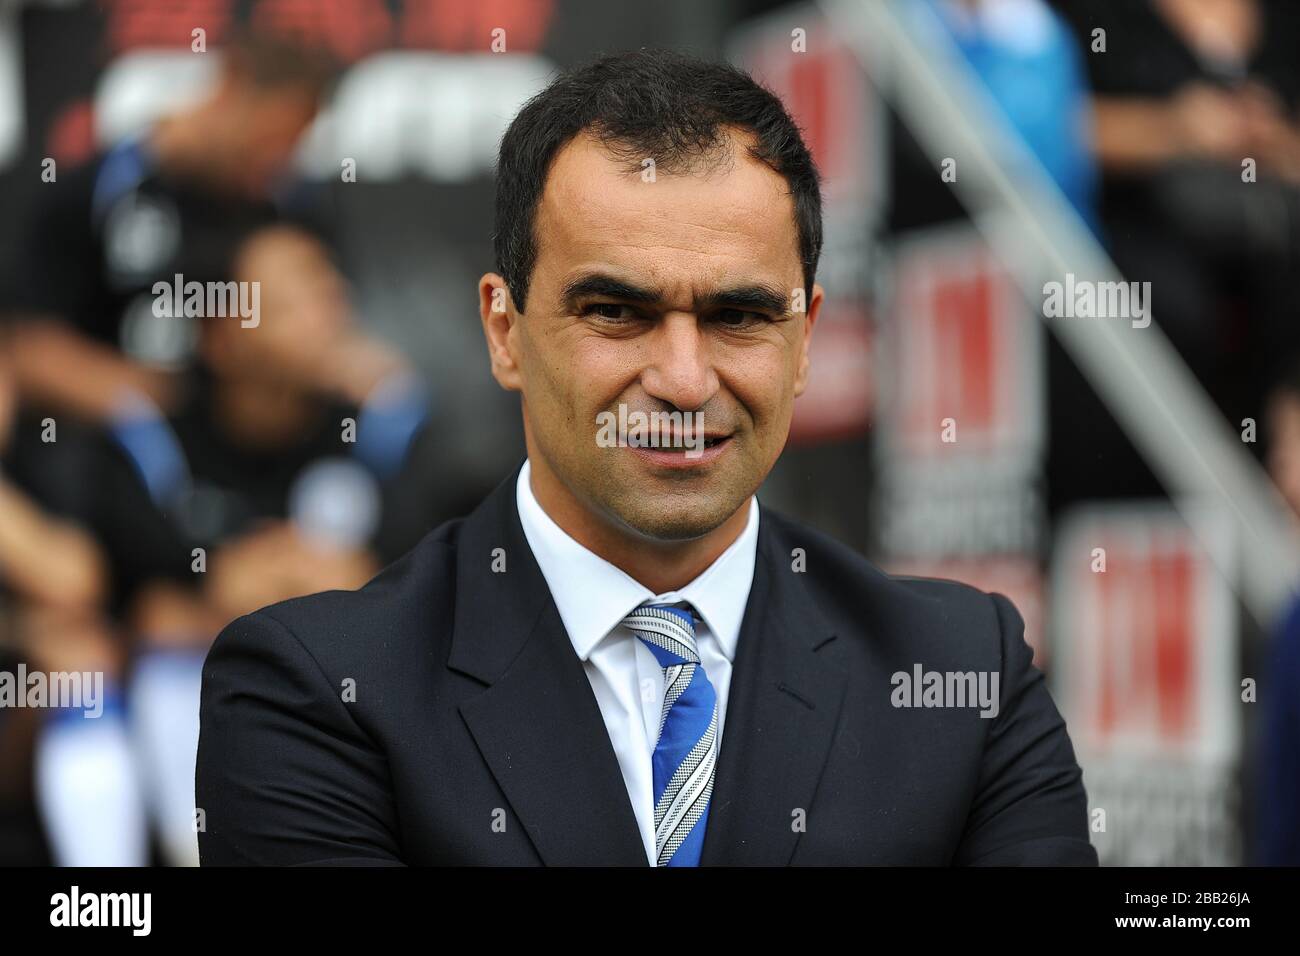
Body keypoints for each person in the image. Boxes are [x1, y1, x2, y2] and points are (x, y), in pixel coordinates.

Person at [196, 50, 1096, 866]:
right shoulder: (317, 692)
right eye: (616, 313)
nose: (681, 378)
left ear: (807, 337)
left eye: (738, 316)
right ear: (504, 332)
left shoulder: (962, 675)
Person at [93, 224, 434, 865]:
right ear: (221, 338)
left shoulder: (388, 422)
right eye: (292, 302)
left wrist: (269, 585)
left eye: (330, 292)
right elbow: (154, 610)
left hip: (359, 711)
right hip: (188, 714)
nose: (328, 312)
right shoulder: (152, 441)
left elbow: (400, 579)